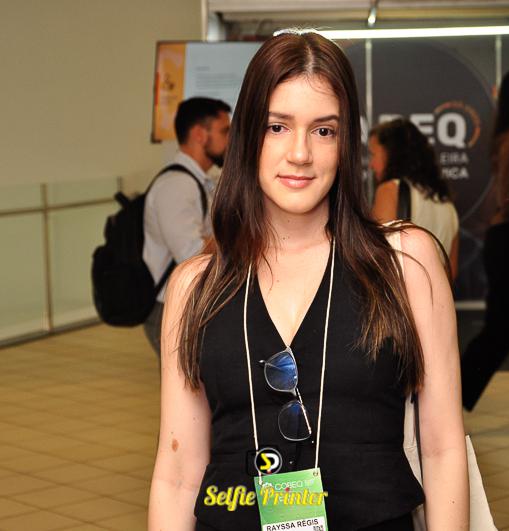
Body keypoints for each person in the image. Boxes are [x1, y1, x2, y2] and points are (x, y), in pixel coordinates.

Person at [149, 31, 468, 530]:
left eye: (323, 130)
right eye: (278, 126)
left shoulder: (406, 264)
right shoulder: (196, 287)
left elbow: (443, 447)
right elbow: (177, 475)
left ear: (345, 144)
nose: (300, 153)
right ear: (248, 136)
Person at [461, 68, 509, 411]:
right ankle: (454, 395)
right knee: (501, 329)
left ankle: (455, 395)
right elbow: (508, 196)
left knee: (502, 327)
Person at [142, 97, 231, 356]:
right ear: (200, 135)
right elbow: (191, 254)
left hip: (189, 302)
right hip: (172, 307)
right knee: (183, 381)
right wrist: (233, 238)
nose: (230, 140)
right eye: (224, 131)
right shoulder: (176, 186)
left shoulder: (197, 181)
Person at [369, 118, 460, 281]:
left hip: (401, 295)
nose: (371, 164)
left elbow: (380, 260)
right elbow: (451, 273)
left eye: (373, 154)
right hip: (435, 295)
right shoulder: (448, 205)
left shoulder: (390, 190)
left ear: (390, 153)